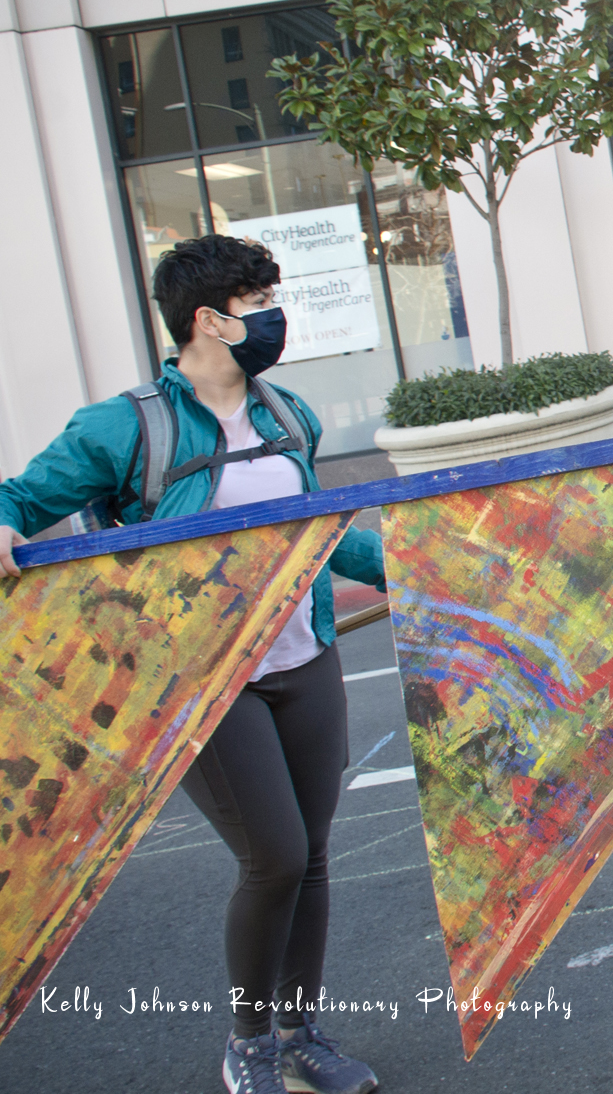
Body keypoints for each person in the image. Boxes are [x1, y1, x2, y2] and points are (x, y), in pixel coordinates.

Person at [0, 235, 385, 1094]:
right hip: (200, 672)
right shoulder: (125, 425)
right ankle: (249, 1044)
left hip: (303, 655)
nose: (273, 317)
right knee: (275, 856)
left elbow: (317, 536)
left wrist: (418, 561)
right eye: (258, 302)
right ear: (207, 319)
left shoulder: (290, 414)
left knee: (312, 853)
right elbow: (18, 498)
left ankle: (302, 1035)